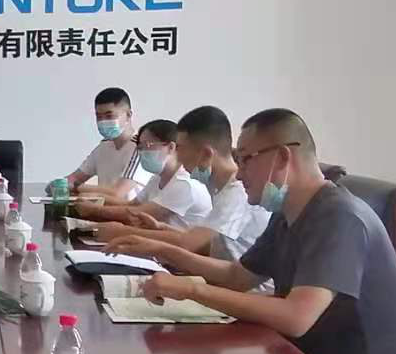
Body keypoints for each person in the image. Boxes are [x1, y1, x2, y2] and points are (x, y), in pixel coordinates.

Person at [137, 109, 396, 354]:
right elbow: (237, 277)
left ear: (282, 157)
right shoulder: (287, 214)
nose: (239, 174)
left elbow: (296, 317)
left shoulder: (339, 217)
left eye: (246, 160)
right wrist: (164, 251)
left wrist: (193, 289)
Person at [96, 105, 270, 258]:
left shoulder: (237, 192)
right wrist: (160, 228)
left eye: (179, 148)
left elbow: (189, 244)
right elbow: (209, 244)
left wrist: (122, 231)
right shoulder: (217, 188)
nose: (177, 156)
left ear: (206, 154)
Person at [76, 119, 212, 230]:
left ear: (171, 147)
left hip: (179, 252)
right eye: (140, 147)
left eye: (148, 145)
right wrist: (98, 199)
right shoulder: (157, 179)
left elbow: (140, 212)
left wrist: (95, 209)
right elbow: (132, 205)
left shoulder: (184, 184)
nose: (142, 152)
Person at [49, 87, 151, 204]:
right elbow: (75, 177)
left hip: (128, 213)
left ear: (128, 115)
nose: (103, 121)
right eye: (99, 116)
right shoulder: (104, 145)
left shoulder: (141, 148)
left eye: (109, 116)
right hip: (102, 211)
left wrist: (77, 187)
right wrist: (59, 185)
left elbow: (117, 193)